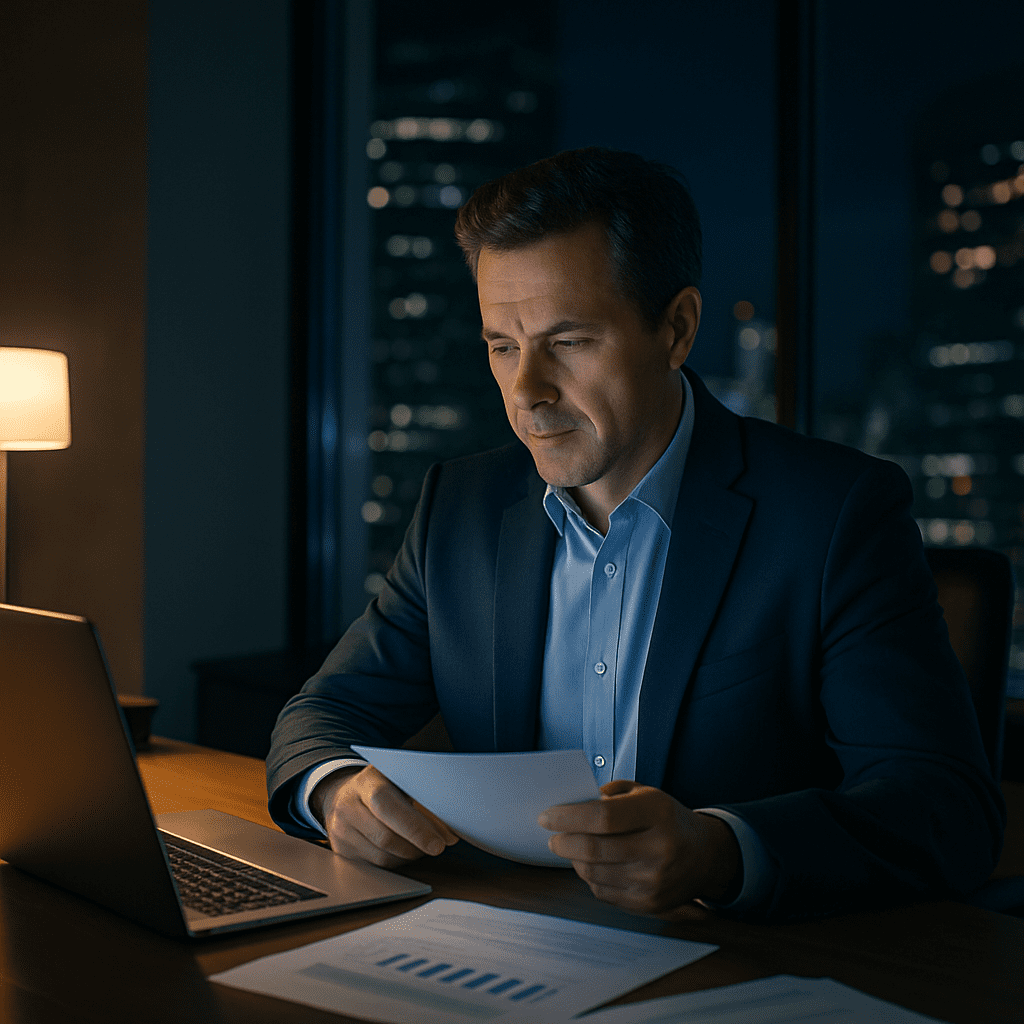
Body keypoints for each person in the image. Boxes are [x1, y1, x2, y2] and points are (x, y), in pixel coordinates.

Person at [267, 147, 1004, 922]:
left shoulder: (833, 513)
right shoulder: (463, 506)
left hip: (744, 964)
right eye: (502, 346)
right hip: (505, 942)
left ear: (677, 329)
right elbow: (320, 718)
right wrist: (336, 792)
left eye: (571, 342)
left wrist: (718, 851)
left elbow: (945, 809)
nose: (528, 393)